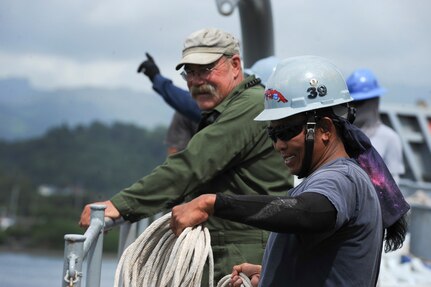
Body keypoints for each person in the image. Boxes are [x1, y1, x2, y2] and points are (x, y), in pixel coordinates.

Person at [170, 55, 409, 286]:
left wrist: (213, 204)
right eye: (273, 134)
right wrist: (271, 273)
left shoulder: (340, 178)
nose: (278, 145)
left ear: (325, 128)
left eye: (287, 132)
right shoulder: (327, 178)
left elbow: (308, 213)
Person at [80, 28, 293, 282]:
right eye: (189, 72)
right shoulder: (232, 106)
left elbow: (191, 165)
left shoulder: (250, 106)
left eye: (205, 69)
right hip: (229, 248)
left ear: (235, 65)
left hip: (243, 255)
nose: (196, 81)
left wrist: (120, 206)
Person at [346, 68, 405, 183]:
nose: (355, 107)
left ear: (375, 101)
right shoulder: (340, 134)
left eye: (360, 102)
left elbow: (393, 183)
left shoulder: (389, 138)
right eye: (352, 102)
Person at [137, 53, 199, 154]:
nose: (195, 81)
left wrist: (156, 78)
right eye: (189, 73)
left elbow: (192, 105)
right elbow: (174, 154)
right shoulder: (183, 113)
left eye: (204, 71)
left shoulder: (228, 106)